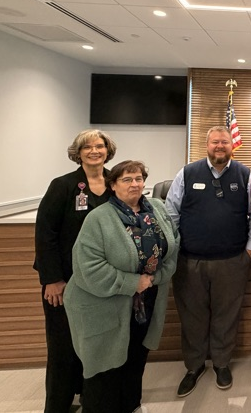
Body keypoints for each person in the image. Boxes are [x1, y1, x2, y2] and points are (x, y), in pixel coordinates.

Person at [64, 161, 179, 413]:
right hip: (102, 304)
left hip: (145, 302)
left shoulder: (157, 210)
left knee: (136, 358)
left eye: (138, 178)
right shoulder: (99, 218)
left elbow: (173, 248)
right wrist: (133, 282)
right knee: (105, 367)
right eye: (127, 179)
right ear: (113, 185)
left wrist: (153, 279)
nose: (135, 184)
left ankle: (131, 405)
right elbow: (88, 268)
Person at [166, 126, 251, 397]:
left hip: (232, 261)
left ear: (232, 145)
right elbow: (170, 214)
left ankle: (221, 363)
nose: (220, 146)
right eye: (215, 142)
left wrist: (250, 249)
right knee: (192, 317)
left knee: (226, 316)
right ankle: (194, 366)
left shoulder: (246, 175)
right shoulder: (186, 173)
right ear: (206, 145)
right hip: (189, 261)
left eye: (224, 142)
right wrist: (173, 248)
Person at [34, 129, 116, 413]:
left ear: (108, 150)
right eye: (88, 147)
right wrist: (52, 279)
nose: (95, 151)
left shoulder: (114, 184)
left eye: (100, 146)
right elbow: (45, 234)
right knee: (62, 348)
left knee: (94, 344)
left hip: (101, 282)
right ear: (77, 153)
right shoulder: (63, 186)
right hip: (66, 282)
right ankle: (57, 405)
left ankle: (88, 397)